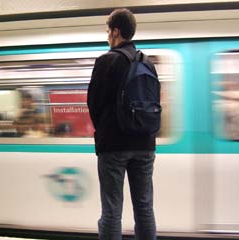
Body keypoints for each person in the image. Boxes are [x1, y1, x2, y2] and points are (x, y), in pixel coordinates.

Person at [87, 9, 157, 240]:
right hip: (145, 144)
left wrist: (107, 129)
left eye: (108, 31)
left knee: (111, 211)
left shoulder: (106, 61)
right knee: (145, 209)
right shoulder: (147, 63)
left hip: (114, 146)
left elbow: (93, 104)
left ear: (116, 32)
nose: (107, 36)